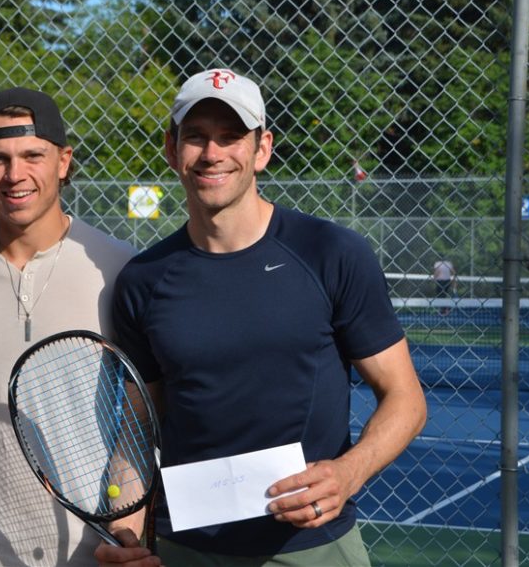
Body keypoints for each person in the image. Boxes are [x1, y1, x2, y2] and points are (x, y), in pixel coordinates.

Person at [97, 69, 426, 567]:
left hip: (313, 547)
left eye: (231, 137)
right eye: (196, 137)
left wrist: (348, 472)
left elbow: (406, 398)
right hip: (185, 548)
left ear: (262, 149)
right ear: (172, 149)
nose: (212, 154)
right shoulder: (143, 280)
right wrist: (126, 529)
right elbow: (139, 428)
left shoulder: (331, 253)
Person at [0, 87, 137, 566]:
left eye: (33, 155)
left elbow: (143, 416)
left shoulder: (118, 266)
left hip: (93, 555)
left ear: (63, 161)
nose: (16, 175)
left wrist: (127, 528)